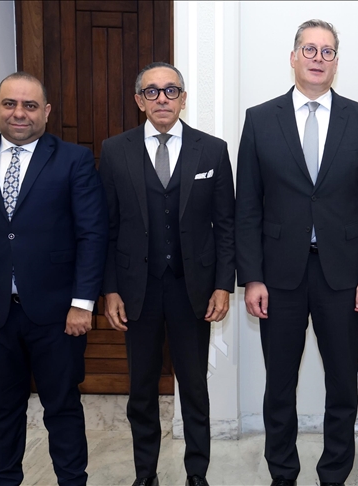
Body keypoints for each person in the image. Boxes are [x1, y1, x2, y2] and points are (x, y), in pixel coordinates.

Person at [235, 20, 358, 486]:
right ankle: (283, 474)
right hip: (277, 277)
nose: (318, 58)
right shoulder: (260, 119)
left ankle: (333, 475)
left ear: (336, 62)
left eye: (327, 51)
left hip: (343, 276)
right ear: (293, 57)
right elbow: (248, 206)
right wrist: (252, 277)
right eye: (309, 49)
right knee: (279, 385)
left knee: (342, 385)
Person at [0, 72, 107, 485]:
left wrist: (83, 304)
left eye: (30, 105)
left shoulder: (74, 160)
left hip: (59, 314)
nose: (19, 113)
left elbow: (92, 235)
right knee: (2, 409)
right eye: (10, 104)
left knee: (63, 406)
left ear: (46, 111)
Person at [99, 62, 235, 486]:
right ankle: (146, 475)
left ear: (183, 98)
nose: (162, 98)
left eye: (171, 90)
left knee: (194, 387)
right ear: (139, 100)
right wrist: (110, 289)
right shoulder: (114, 150)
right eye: (152, 91)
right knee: (141, 389)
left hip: (192, 289)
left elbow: (226, 225)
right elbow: (106, 227)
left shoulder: (212, 150)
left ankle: (197, 473)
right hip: (136, 290)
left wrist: (223, 285)